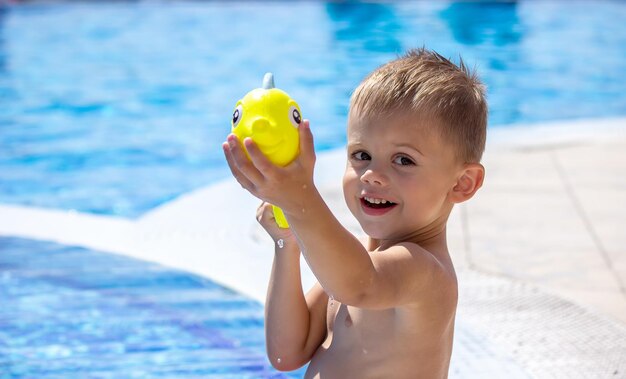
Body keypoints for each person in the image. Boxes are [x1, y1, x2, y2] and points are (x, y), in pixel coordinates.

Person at [223, 47, 487, 379]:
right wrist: (287, 244)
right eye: (361, 154)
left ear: (462, 184)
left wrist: (298, 197)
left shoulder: (425, 273)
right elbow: (286, 352)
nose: (372, 174)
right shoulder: (357, 262)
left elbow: (358, 284)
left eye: (403, 160)